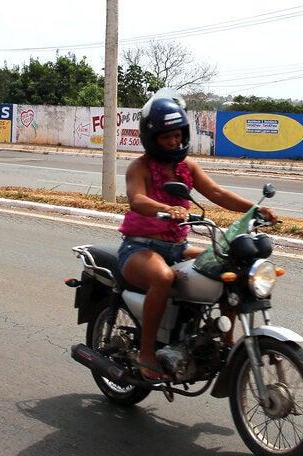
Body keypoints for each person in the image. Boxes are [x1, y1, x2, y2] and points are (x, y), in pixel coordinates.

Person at [118, 92, 277, 381]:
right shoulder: (139, 167)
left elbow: (217, 193)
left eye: (178, 135)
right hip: (139, 248)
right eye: (167, 137)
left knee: (231, 265)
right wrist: (166, 208)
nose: (174, 142)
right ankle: (146, 353)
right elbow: (136, 199)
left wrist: (255, 210)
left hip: (178, 247)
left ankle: (225, 341)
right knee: (163, 278)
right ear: (152, 137)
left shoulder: (187, 167)